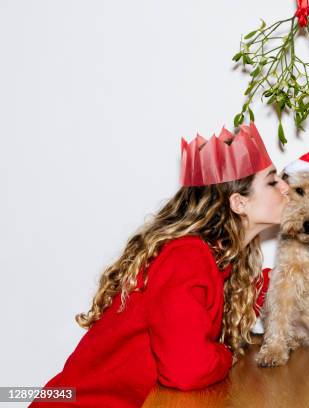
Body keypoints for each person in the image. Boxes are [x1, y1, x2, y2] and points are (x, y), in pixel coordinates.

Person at [30, 123, 289, 408]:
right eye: (273, 181)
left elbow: (260, 291)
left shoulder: (219, 258)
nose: (287, 188)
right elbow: (186, 371)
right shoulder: (186, 257)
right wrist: (225, 353)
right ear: (239, 203)